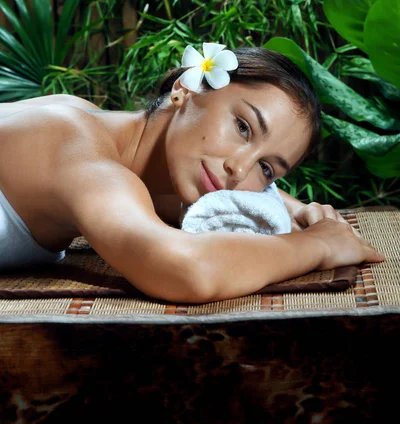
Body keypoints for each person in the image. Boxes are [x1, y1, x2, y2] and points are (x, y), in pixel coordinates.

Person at [0, 45, 384, 303]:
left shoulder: (95, 127)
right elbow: (185, 269)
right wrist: (319, 246)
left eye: (266, 167)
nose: (239, 167)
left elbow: (230, 184)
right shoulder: (76, 147)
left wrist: (299, 210)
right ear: (186, 88)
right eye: (244, 127)